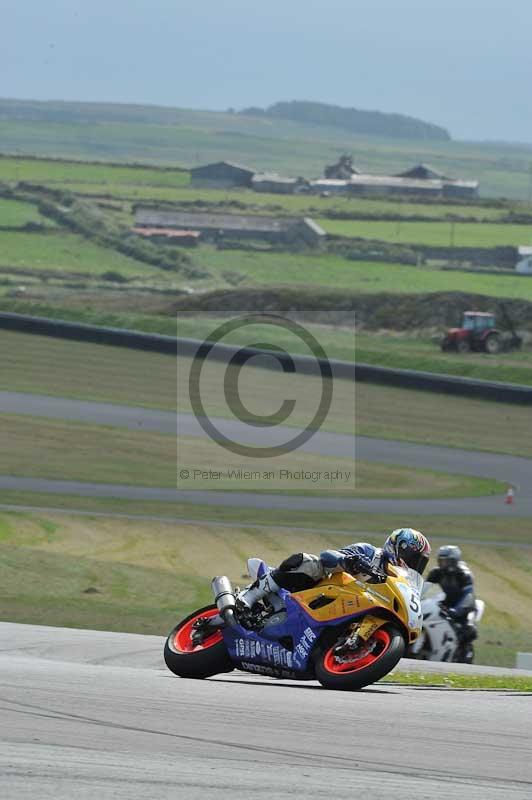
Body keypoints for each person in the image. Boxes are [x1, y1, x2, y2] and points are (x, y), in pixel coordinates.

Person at [237, 528, 431, 614]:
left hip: (351, 609)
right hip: (323, 594)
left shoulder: (398, 582)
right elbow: (328, 557)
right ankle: (249, 596)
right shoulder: (369, 552)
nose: (414, 565)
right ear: (399, 547)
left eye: (419, 563)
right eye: (414, 558)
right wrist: (350, 561)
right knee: (309, 563)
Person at [425, 545, 477, 654]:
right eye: (441, 561)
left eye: (446, 561)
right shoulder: (436, 573)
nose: (443, 564)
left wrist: (457, 610)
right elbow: (425, 588)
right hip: (442, 605)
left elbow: (468, 595)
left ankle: (463, 652)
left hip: (462, 607)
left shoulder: (464, 574)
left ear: (454, 561)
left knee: (467, 629)